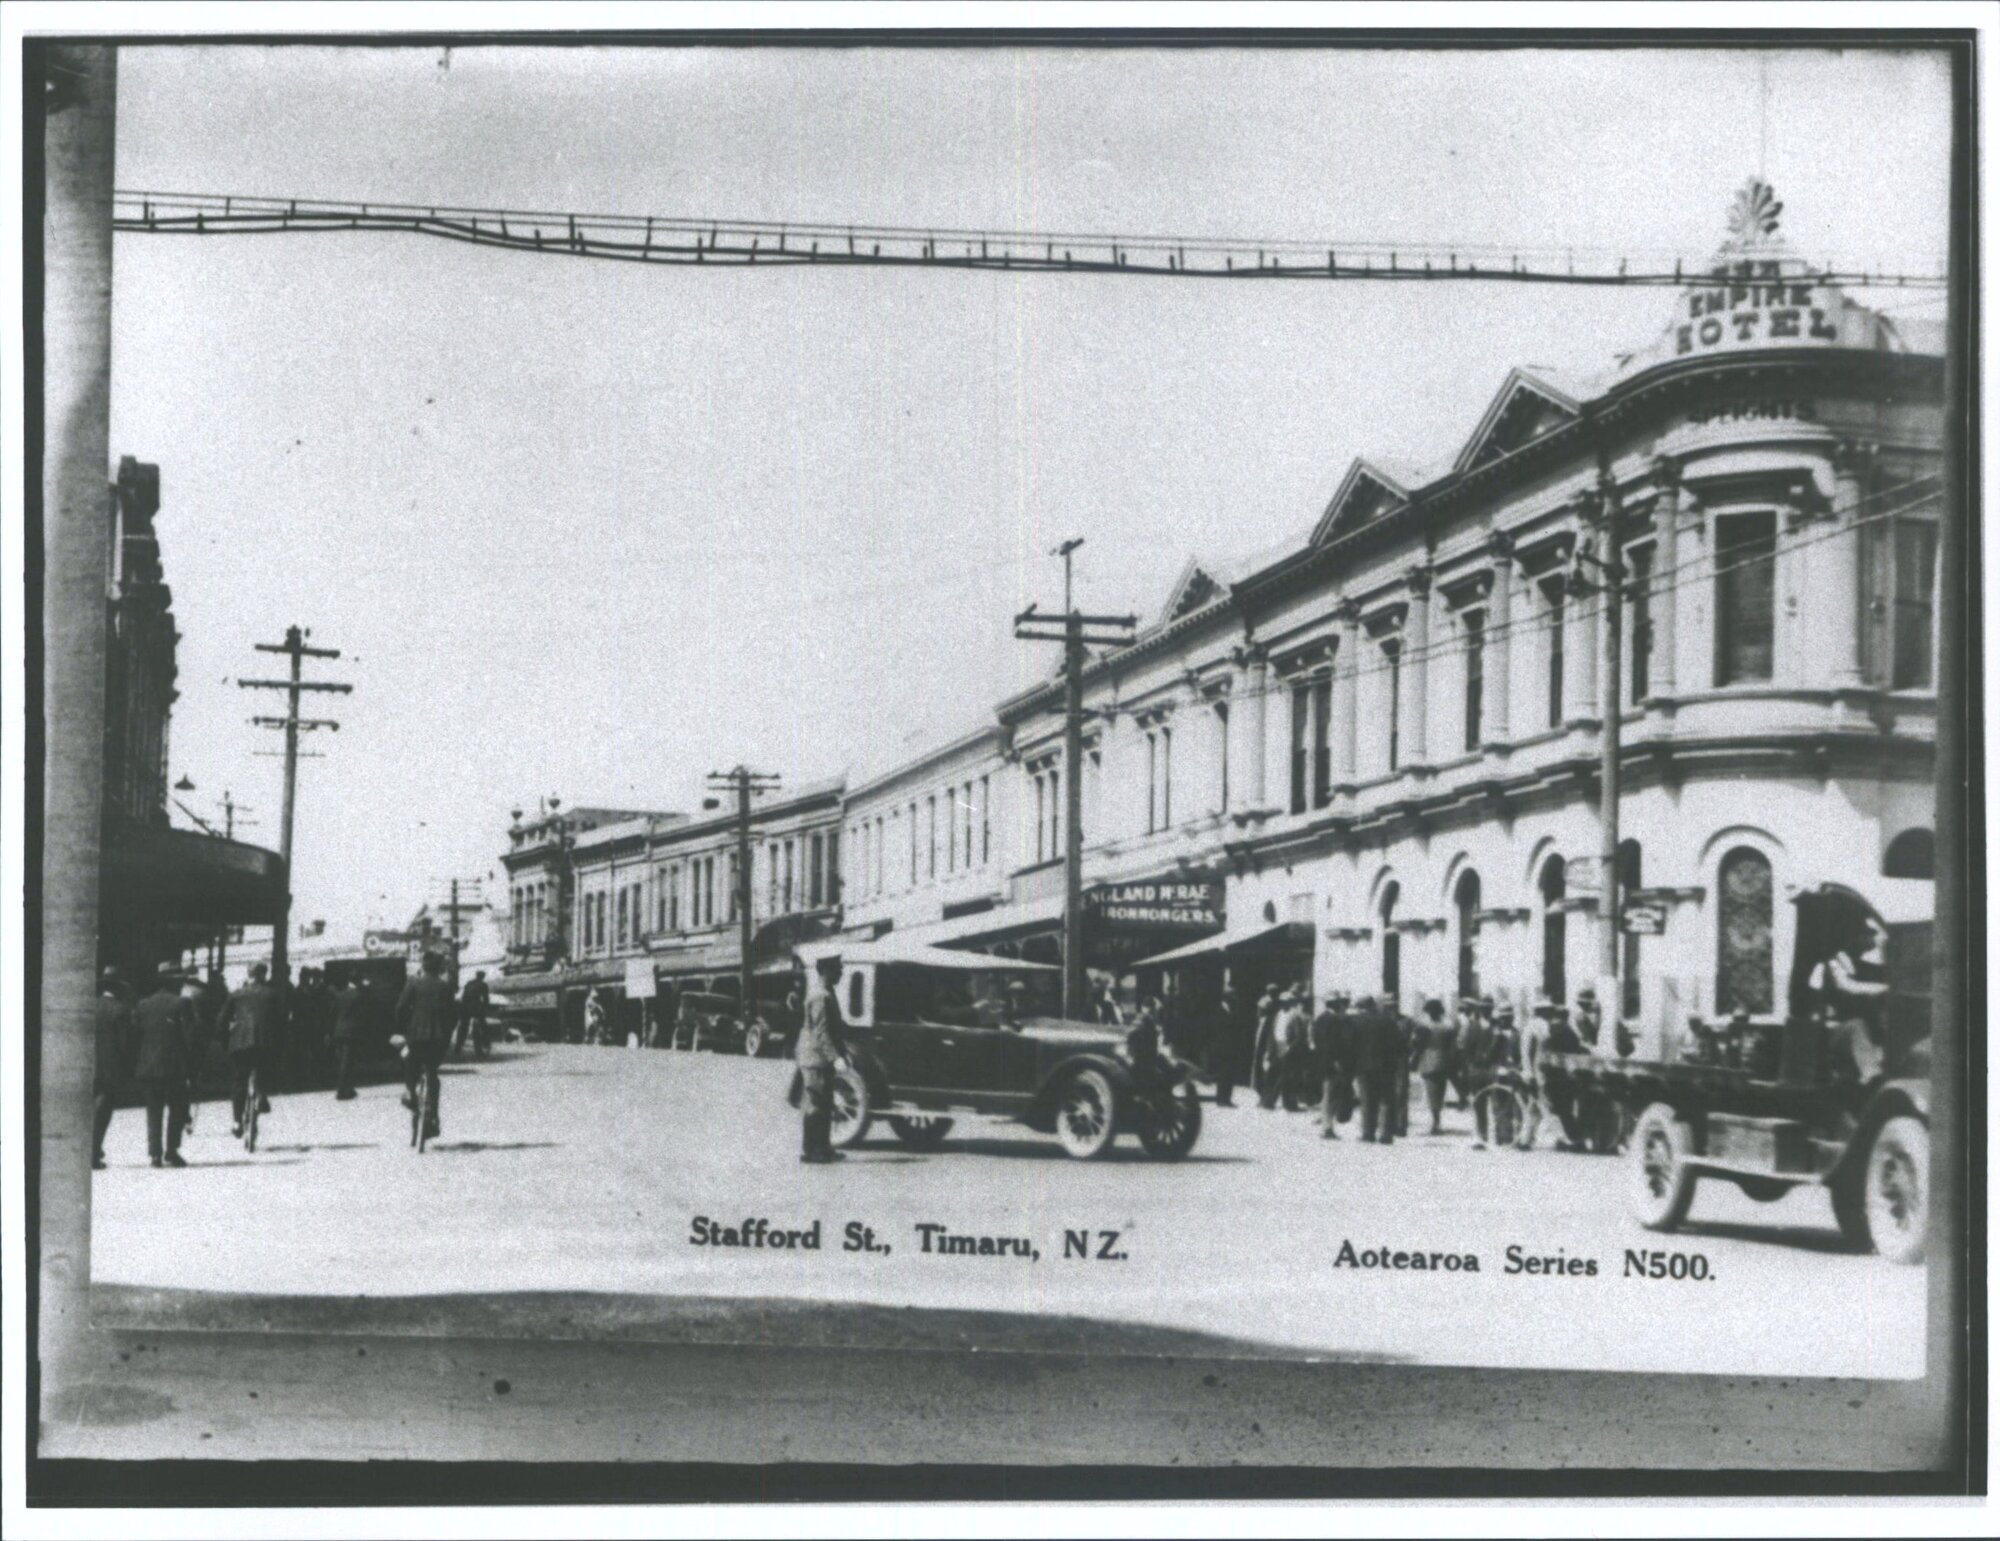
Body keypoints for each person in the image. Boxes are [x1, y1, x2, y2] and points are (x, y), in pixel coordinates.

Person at [132, 970, 196, 1167]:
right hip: (174, 1066)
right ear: (174, 983)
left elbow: (135, 1036)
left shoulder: (143, 1005)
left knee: (153, 1110)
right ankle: (171, 1151)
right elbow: (190, 1036)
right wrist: (192, 1065)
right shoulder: (182, 1003)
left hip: (148, 1066)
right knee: (176, 1108)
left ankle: (154, 1154)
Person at [796, 955, 853, 1164]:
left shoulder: (827, 993)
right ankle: (811, 1151)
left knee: (825, 1104)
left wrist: (842, 1053)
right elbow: (822, 1033)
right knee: (816, 1106)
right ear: (826, 970)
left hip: (820, 1059)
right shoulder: (821, 996)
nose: (841, 972)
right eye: (837, 969)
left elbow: (834, 1029)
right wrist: (836, 1057)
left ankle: (822, 1148)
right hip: (815, 1058)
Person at [396, 951, 458, 1140]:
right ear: (440, 968)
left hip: (415, 1038)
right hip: (437, 1040)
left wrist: (404, 1028)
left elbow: (400, 1008)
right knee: (433, 1074)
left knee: (407, 1059)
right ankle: (434, 1119)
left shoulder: (413, 983)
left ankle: (410, 1093)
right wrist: (446, 1033)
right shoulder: (446, 987)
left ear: (423, 966)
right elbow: (453, 1015)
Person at [220, 962, 284, 1139]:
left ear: (248, 975)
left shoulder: (236, 994)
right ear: (264, 975)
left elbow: (221, 1021)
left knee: (239, 1080)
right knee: (265, 1067)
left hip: (239, 1043)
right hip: (264, 1042)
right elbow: (281, 1022)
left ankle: (236, 1121)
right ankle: (262, 1094)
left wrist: (225, 1041)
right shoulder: (272, 994)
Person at [93, 967, 135, 1168]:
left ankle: (90, 1150)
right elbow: (126, 1044)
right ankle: (93, 1152)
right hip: (110, 1068)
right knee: (102, 1111)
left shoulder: (88, 1007)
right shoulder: (121, 1010)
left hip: (88, 1066)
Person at [1349, 994, 1401, 1145]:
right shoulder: (1387, 1021)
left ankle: (1368, 1132)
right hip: (1386, 1066)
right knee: (1386, 1099)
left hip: (1363, 1066)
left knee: (1367, 1099)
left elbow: (1350, 1044)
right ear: (1373, 1006)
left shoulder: (1355, 1022)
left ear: (1361, 1007)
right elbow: (1398, 1043)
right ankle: (1386, 1134)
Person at [1311, 991, 1352, 1140]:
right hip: (1332, 1062)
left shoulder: (1320, 1019)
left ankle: (1327, 1125)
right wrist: (1337, 1061)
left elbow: (1316, 1040)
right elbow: (1334, 1044)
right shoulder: (1335, 1020)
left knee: (1327, 1094)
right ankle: (1327, 1128)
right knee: (1331, 1095)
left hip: (1322, 1061)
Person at [1415, 997, 1457, 1136]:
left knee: (1431, 1093)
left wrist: (1415, 1060)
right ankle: (1437, 1120)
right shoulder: (1448, 1026)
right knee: (1440, 1093)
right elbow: (1453, 1046)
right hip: (1444, 1062)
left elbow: (1419, 1045)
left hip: (1428, 1061)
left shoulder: (1423, 1026)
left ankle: (1435, 1121)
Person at [331, 972, 372, 1100]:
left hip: (339, 1031)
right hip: (352, 1032)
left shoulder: (340, 995)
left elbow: (333, 1012)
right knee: (348, 1062)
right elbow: (364, 1013)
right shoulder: (359, 995)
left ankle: (347, 1088)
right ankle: (342, 1091)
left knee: (343, 1062)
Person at [1252, 985, 1284, 1109]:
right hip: (1266, 1043)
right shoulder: (1265, 1020)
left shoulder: (1275, 1017)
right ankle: (1264, 1096)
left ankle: (1268, 1098)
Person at [457, 970, 492, 1055]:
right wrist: (485, 1008)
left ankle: (458, 1046)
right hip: (476, 1008)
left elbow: (464, 996)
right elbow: (486, 998)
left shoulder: (469, 983)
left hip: (465, 1007)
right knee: (483, 1027)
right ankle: (480, 1048)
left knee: (463, 1027)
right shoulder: (483, 985)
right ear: (483, 977)